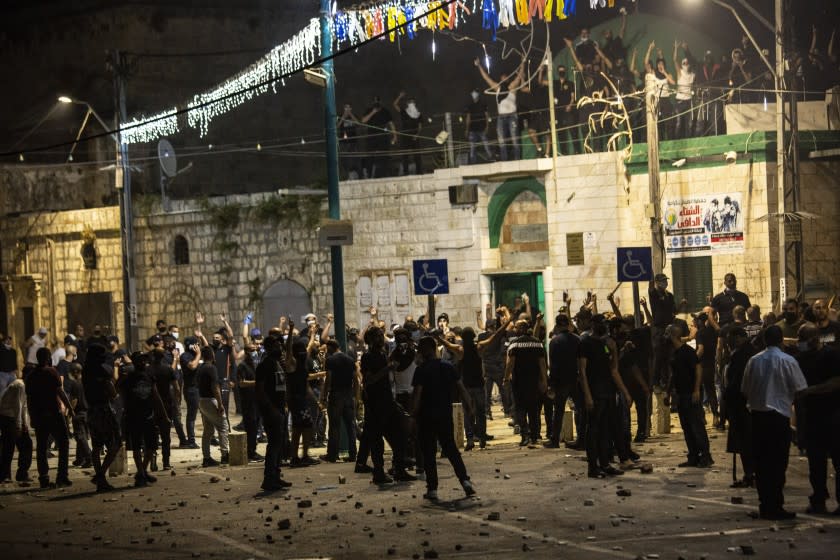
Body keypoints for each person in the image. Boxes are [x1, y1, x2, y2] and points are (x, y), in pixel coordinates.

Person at [741, 325, 808, 520]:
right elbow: (801, 388)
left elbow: (745, 389)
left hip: (758, 416)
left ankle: (765, 504)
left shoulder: (753, 361)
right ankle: (776, 505)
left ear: (763, 341)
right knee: (778, 463)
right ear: (781, 341)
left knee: (761, 463)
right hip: (779, 417)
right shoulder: (788, 361)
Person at [410, 336, 475, 501]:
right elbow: (460, 387)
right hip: (445, 414)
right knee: (451, 449)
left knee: (429, 453)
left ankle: (432, 489)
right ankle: (465, 481)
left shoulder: (421, 370)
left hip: (426, 417)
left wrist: (413, 415)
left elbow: (417, 394)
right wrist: (469, 406)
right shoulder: (448, 367)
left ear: (423, 351)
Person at [794, 323, 840, 514]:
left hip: (833, 415)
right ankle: (818, 499)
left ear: (813, 338)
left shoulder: (831, 355)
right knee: (816, 462)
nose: (800, 343)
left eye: (802, 339)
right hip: (811, 417)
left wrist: (811, 391)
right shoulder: (801, 358)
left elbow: (836, 382)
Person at [359, 327, 414, 484]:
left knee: (401, 435)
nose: (380, 339)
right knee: (377, 440)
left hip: (387, 401)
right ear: (370, 340)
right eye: (376, 336)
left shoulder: (382, 355)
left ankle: (399, 469)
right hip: (376, 404)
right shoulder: (368, 357)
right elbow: (368, 380)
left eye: (380, 336)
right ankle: (379, 472)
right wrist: (387, 369)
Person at [578, 314, 630, 478]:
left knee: (606, 430)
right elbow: (582, 372)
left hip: (608, 392)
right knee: (593, 430)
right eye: (600, 323)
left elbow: (614, 370)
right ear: (593, 324)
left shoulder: (607, 344)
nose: (603, 326)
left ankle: (605, 463)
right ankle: (593, 467)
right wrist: (587, 395)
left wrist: (625, 392)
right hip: (594, 392)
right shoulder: (585, 343)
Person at [665, 324, 713, 468]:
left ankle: (705, 456)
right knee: (687, 427)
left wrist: (696, 390)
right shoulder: (674, 353)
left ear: (672, 335)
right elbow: (673, 375)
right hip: (680, 395)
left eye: (667, 333)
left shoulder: (687, 351)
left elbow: (698, 368)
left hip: (690, 394)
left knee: (697, 426)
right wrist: (668, 392)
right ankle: (693, 456)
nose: (665, 336)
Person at [26, 347, 74, 488]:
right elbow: (60, 391)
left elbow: (29, 399)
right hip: (54, 413)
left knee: (41, 447)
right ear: (48, 358)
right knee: (64, 443)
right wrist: (70, 408)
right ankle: (62, 476)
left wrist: (32, 417)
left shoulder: (31, 375)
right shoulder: (52, 372)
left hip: (39, 415)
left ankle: (44, 478)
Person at [255, 334, 293, 492]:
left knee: (279, 445)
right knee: (274, 445)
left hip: (280, 409)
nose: (280, 348)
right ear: (269, 347)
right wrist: (271, 409)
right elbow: (260, 390)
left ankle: (276, 476)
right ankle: (269, 479)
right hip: (272, 411)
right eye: (277, 345)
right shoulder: (265, 365)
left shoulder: (278, 363)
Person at [123, 352, 168, 487]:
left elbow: (156, 395)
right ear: (135, 362)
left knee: (151, 446)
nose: (143, 363)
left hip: (149, 416)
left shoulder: (149, 376)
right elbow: (122, 394)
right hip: (134, 417)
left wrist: (164, 415)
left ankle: (142, 472)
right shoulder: (130, 377)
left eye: (144, 360)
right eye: (140, 360)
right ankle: (141, 473)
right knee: (136, 446)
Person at [84, 344, 121, 492]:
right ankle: (100, 475)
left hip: (92, 411)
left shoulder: (86, 370)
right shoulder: (102, 370)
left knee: (97, 446)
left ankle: (100, 480)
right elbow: (112, 392)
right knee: (115, 444)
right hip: (104, 410)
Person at [505, 319, 548, 446]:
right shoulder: (537, 343)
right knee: (533, 409)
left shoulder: (514, 344)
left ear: (522, 329)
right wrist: (544, 380)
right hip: (533, 382)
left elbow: (510, 363)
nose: (515, 330)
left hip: (519, 383)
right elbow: (542, 364)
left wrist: (506, 378)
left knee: (520, 409)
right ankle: (534, 436)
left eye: (516, 327)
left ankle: (525, 436)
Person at [724, 327, 758, 488]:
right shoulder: (751, 352)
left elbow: (736, 383)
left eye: (730, 338)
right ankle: (752, 473)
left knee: (745, 442)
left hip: (741, 404)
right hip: (747, 404)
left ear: (738, 338)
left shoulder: (741, 355)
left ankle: (750, 474)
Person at [475, 58, 524, 161]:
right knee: (501, 140)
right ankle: (504, 160)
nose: (504, 79)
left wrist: (523, 62)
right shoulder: (498, 88)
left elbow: (519, 76)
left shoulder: (512, 86)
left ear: (508, 78)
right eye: (502, 78)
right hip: (501, 117)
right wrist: (479, 65)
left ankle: (517, 159)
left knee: (514, 139)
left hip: (512, 116)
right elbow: (486, 78)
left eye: (505, 77)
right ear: (500, 79)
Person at [320, 339, 358, 463]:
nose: (326, 351)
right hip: (348, 395)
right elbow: (355, 380)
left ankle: (332, 455)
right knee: (350, 426)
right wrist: (356, 396)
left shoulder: (330, 360)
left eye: (327, 348)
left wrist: (324, 397)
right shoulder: (350, 360)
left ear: (331, 347)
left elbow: (328, 379)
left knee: (334, 426)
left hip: (336, 395)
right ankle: (353, 454)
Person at [545, 313, 580, 448]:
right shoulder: (577, 339)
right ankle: (581, 436)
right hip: (575, 378)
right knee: (579, 409)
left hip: (560, 381)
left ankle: (554, 440)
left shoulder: (555, 341)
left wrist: (551, 383)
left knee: (558, 411)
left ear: (557, 325)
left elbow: (553, 364)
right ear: (568, 324)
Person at [196, 346, 229, 467]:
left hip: (202, 401)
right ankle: (225, 455)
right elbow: (215, 388)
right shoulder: (212, 368)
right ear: (212, 355)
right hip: (211, 401)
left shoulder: (200, 368)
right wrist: (220, 404)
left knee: (208, 431)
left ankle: (206, 458)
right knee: (223, 426)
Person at [0, 364, 32, 484]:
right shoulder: (20, 385)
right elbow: (18, 406)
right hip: (8, 417)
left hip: (11, 417)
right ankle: (6, 475)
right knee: (9, 447)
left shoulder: (23, 385)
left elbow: (24, 407)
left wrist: (25, 425)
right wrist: (19, 425)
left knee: (22, 444)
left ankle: (19, 474)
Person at [648, 273, 676, 388]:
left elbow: (674, 310)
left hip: (668, 329)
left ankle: (666, 380)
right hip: (658, 329)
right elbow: (650, 287)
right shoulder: (654, 294)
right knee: (658, 356)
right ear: (657, 282)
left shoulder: (669, 295)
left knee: (668, 356)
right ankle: (655, 382)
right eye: (662, 281)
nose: (665, 282)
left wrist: (682, 304)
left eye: (666, 280)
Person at [236, 342, 263, 462]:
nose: (255, 352)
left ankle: (253, 450)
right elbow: (241, 383)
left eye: (256, 349)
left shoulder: (256, 365)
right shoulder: (242, 366)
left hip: (257, 401)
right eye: (252, 350)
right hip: (248, 402)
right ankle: (250, 452)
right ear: (246, 352)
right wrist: (258, 383)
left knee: (256, 426)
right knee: (250, 427)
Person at [361, 96, 397, 178]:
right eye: (375, 101)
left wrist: (395, 136)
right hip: (371, 136)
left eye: (378, 101)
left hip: (383, 137)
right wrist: (372, 112)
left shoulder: (385, 111)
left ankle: (382, 175)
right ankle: (369, 174)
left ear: (380, 102)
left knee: (383, 156)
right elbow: (363, 121)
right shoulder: (369, 110)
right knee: (370, 156)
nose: (376, 103)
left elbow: (391, 124)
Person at [178, 336, 201, 449]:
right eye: (196, 344)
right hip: (191, 389)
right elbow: (192, 366)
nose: (198, 346)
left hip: (199, 388)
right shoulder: (185, 356)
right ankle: (191, 440)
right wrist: (198, 355)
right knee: (191, 416)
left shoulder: (195, 354)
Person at [392, 91, 423, 175]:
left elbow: (420, 127)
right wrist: (400, 96)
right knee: (405, 155)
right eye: (410, 102)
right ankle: (406, 173)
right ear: (407, 104)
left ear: (415, 104)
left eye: (413, 102)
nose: (411, 104)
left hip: (415, 137)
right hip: (405, 136)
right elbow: (394, 105)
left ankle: (419, 172)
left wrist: (417, 135)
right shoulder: (404, 112)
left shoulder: (419, 114)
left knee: (417, 155)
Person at [464, 89, 494, 163]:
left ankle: (491, 158)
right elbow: (468, 117)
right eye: (472, 93)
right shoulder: (470, 105)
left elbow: (487, 116)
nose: (473, 94)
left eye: (475, 93)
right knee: (472, 147)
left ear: (478, 94)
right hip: (472, 129)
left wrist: (487, 126)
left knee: (486, 144)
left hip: (482, 128)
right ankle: (473, 162)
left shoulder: (483, 103)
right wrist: (467, 129)